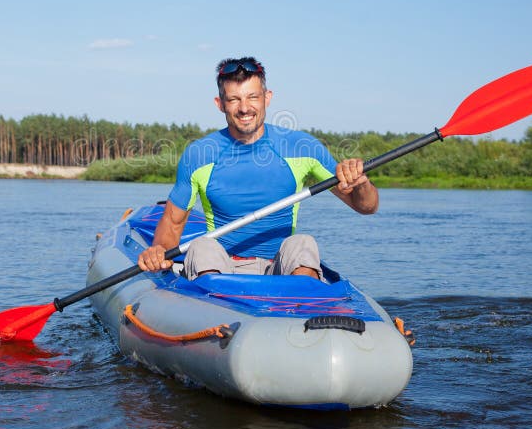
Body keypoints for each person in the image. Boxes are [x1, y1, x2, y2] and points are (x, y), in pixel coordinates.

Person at [137, 56, 379, 280]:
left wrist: (361, 183)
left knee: (303, 243)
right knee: (202, 246)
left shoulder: (301, 146)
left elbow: (366, 207)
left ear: (267, 97)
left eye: (252, 97)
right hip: (222, 267)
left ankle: (302, 308)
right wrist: (158, 251)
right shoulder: (199, 154)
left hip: (280, 268)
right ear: (220, 104)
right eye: (234, 99)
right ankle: (217, 310)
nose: (244, 108)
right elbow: (172, 223)